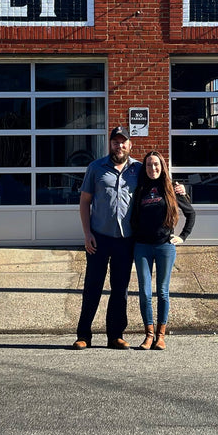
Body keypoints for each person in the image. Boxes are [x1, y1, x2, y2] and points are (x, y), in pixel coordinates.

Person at [73, 126, 184, 350]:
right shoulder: (96, 168)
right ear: (110, 144)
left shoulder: (138, 169)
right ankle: (84, 334)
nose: (119, 145)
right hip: (99, 238)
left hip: (126, 241)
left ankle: (115, 335)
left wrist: (178, 188)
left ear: (130, 145)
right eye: (116, 142)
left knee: (120, 289)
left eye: (123, 142)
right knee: (92, 287)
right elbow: (85, 202)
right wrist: (86, 234)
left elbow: (159, 181)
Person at [130, 150, 195, 351]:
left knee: (163, 292)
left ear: (163, 166)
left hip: (165, 246)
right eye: (149, 165)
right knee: (144, 293)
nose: (153, 168)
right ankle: (148, 335)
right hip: (142, 246)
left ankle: (161, 336)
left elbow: (191, 213)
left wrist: (182, 236)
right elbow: (132, 216)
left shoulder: (171, 189)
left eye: (156, 164)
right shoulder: (139, 188)